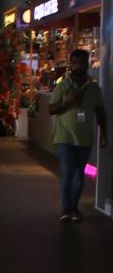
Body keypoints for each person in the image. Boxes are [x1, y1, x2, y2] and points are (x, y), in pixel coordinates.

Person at [47, 49, 107, 223]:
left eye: (81, 62)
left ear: (87, 64)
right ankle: (66, 208)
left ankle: (74, 207)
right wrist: (67, 102)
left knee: (79, 173)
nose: (78, 66)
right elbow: (50, 109)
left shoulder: (93, 88)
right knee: (67, 171)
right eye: (75, 62)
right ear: (70, 65)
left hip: (84, 138)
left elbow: (100, 112)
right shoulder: (62, 86)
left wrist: (104, 132)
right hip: (64, 137)